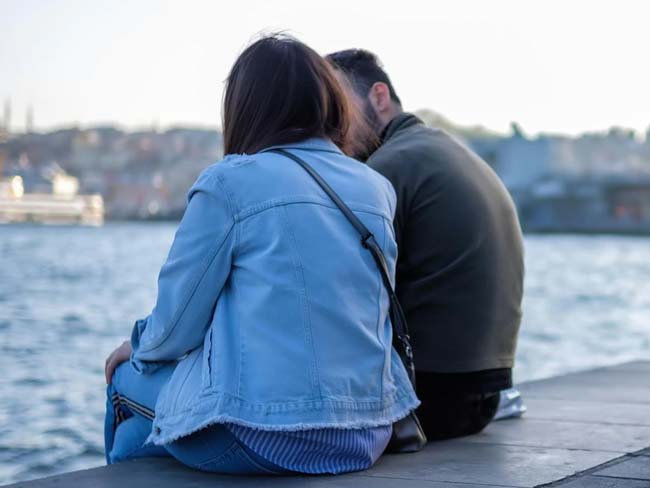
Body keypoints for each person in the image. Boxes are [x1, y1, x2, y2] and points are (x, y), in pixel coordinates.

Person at [102, 35, 420, 475]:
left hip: (265, 433)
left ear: (245, 106)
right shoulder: (375, 189)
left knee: (123, 383)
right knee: (140, 436)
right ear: (328, 101)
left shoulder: (230, 183)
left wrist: (135, 346)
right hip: (365, 433)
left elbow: (175, 328)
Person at [327, 49, 524, 440]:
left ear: (379, 97)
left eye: (339, 107)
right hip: (483, 395)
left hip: (430, 400)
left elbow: (344, 297)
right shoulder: (448, 150)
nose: (331, 126)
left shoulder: (386, 169)